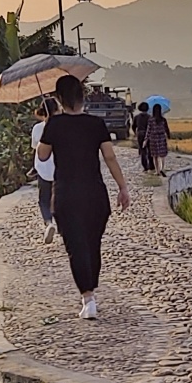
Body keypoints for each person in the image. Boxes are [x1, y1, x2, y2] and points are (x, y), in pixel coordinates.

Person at [36, 73, 131, 319]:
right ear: (82, 96)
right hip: (95, 193)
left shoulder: (54, 125)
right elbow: (110, 157)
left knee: (76, 247)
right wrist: (123, 188)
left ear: (58, 98)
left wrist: (49, 125)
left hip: (67, 194)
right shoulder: (96, 124)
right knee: (92, 244)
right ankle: (91, 292)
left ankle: (88, 298)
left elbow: (43, 156)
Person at [31, 97, 57, 242]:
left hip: (43, 169)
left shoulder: (37, 128)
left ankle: (49, 222)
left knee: (44, 200)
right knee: (59, 197)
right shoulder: (62, 126)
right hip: (60, 168)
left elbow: (35, 146)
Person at [147, 103, 171, 173]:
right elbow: (167, 129)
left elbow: (148, 130)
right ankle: (162, 168)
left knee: (155, 155)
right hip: (161, 138)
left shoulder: (151, 120)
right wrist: (168, 136)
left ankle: (157, 171)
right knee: (162, 154)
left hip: (153, 138)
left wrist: (146, 139)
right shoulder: (163, 120)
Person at [133, 100, 151, 172]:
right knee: (150, 150)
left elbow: (134, 126)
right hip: (149, 134)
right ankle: (151, 165)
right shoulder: (150, 117)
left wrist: (135, 133)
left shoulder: (137, 117)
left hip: (140, 134)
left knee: (142, 150)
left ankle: (145, 166)